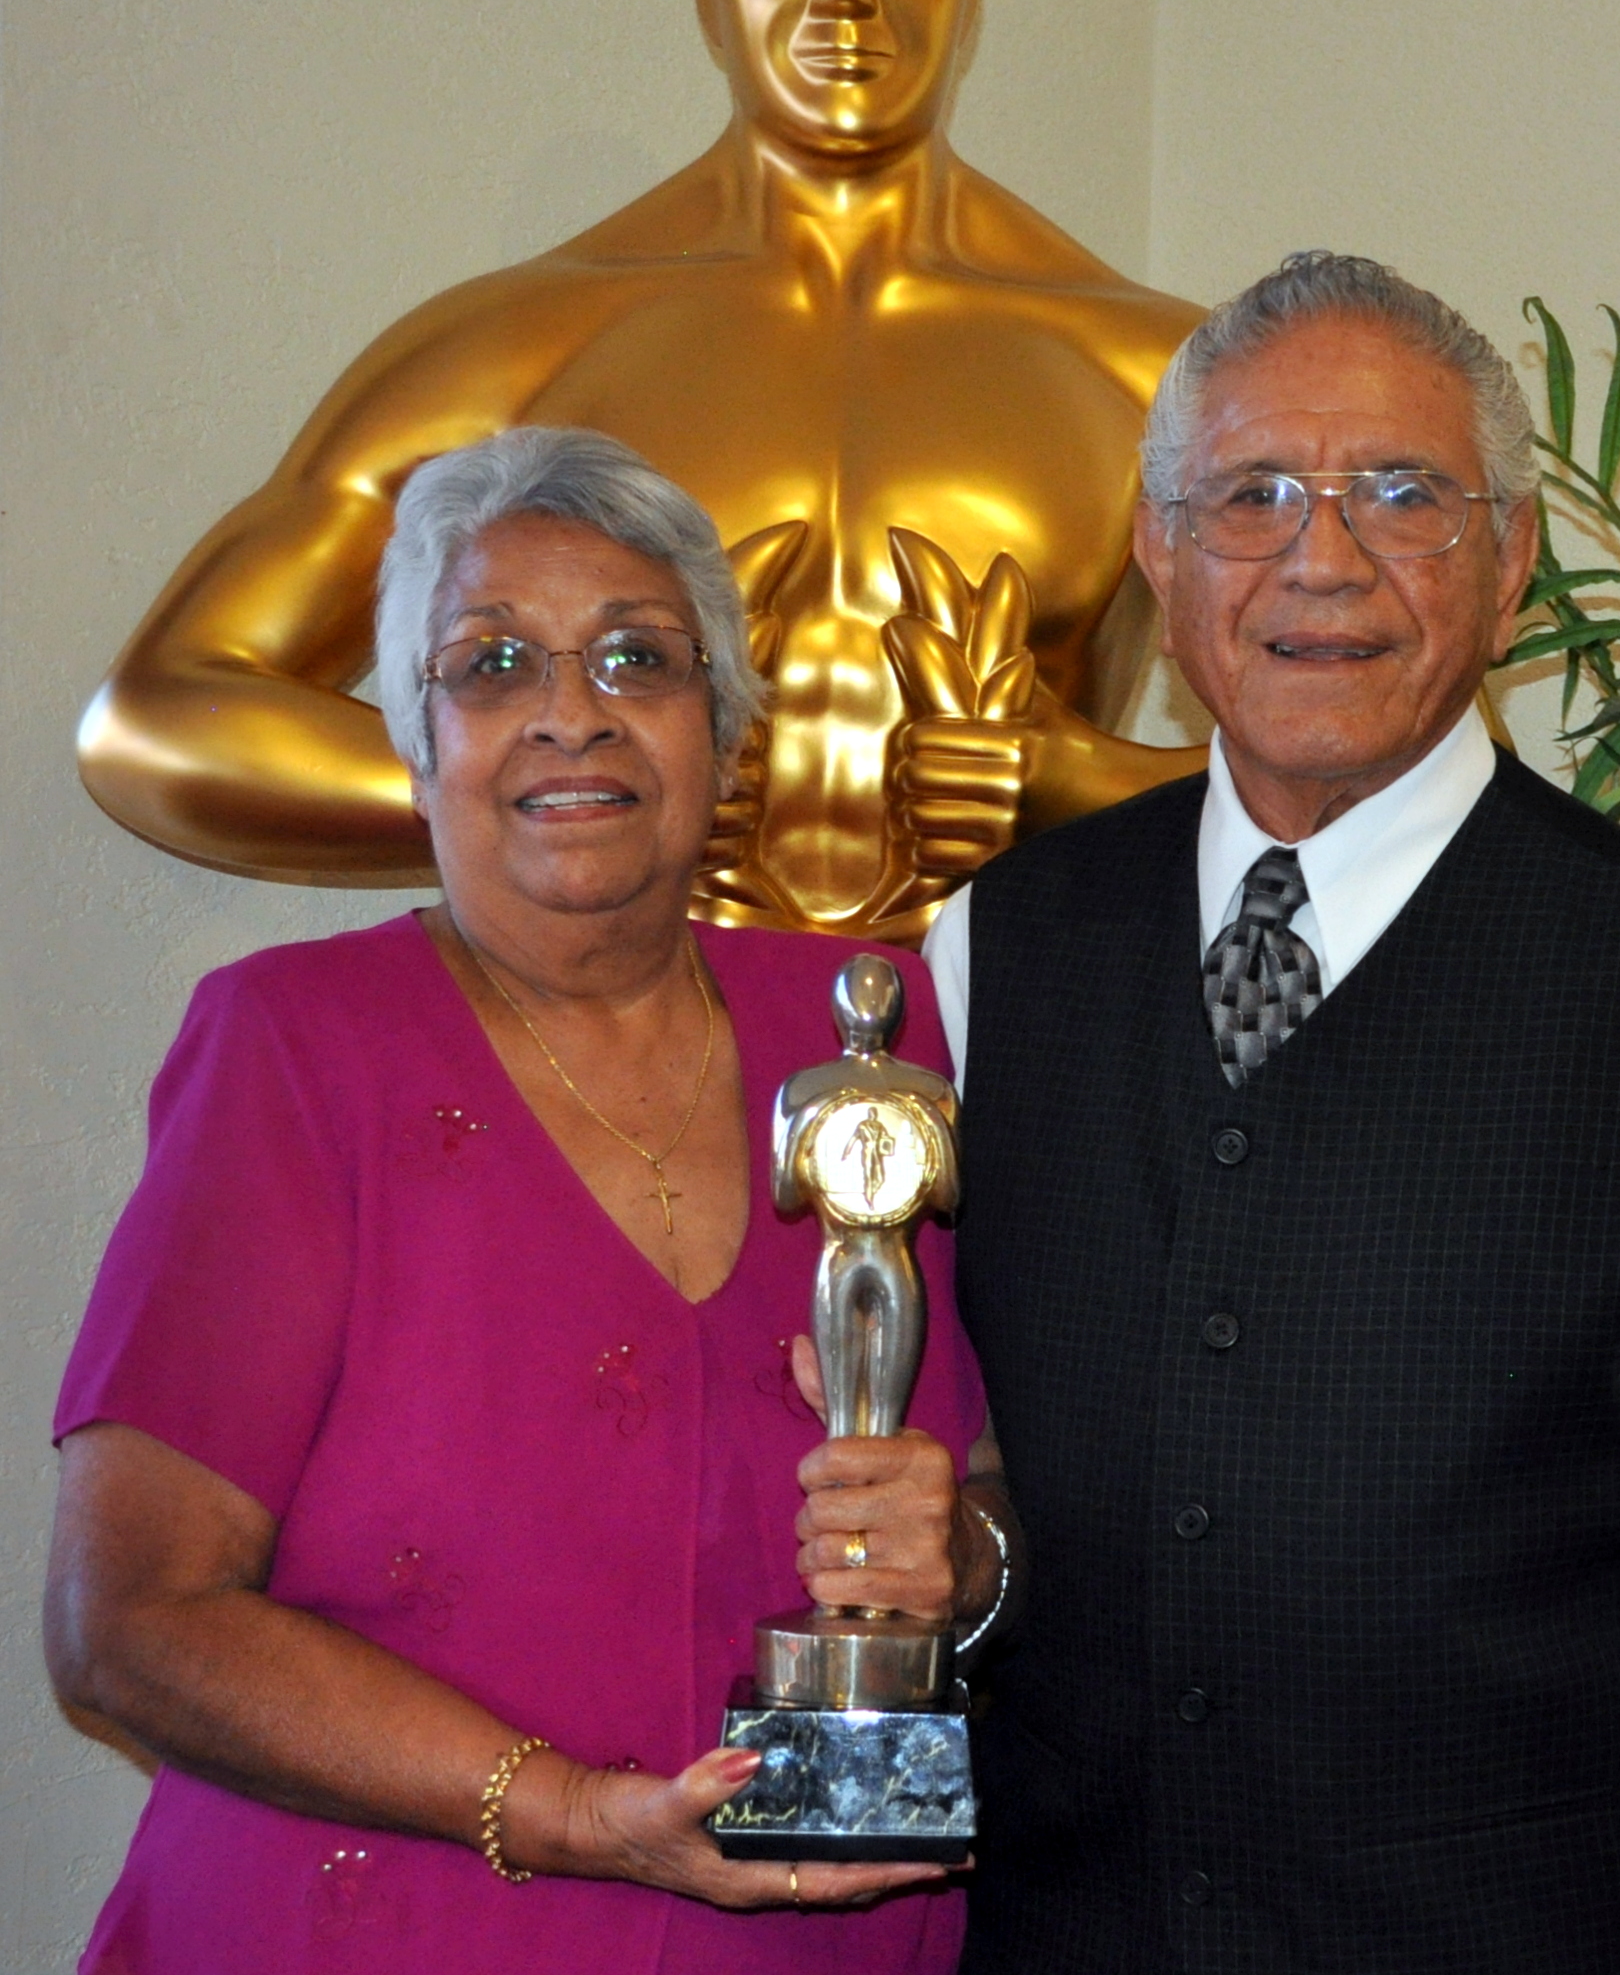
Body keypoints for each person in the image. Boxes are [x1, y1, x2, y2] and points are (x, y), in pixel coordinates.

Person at [925, 253, 1620, 1973]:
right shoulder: (990, 951)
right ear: (1157, 554)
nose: (1320, 558)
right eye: (1250, 495)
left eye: (1403, 495)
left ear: (1508, 565)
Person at [45, 428, 1017, 1975]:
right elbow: (129, 1625)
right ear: (417, 742)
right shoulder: (295, 1047)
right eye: (493, 663)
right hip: (372, 1935)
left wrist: (959, 1559)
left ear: (724, 729)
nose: (573, 712)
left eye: (638, 657)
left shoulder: (872, 1029)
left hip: (811, 1936)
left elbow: (990, 1500)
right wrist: (573, 1814)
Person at [76, 0, 1205, 942]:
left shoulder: (1156, 373)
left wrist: (1073, 787)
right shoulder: (523, 350)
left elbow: (1344, 763)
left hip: (1012, 1035)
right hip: (621, 1034)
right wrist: (568, 789)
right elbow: (158, 717)